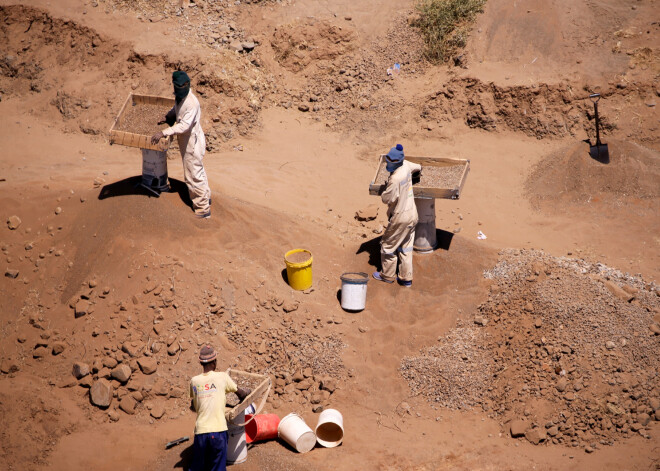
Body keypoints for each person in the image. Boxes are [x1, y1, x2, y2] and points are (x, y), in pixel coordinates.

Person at [151, 70, 211, 218]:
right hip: (187, 140)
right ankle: (206, 197)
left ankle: (203, 210)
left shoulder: (191, 102)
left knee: (192, 174)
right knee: (197, 171)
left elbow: (184, 125)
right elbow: (177, 109)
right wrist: (168, 117)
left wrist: (163, 132)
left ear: (188, 84)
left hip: (192, 142)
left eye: (183, 85)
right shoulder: (180, 98)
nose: (181, 88)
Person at [189, 345, 250, 471]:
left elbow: (193, 405)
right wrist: (247, 392)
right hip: (217, 431)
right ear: (214, 362)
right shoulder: (222, 377)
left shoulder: (194, 381)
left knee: (198, 466)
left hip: (200, 432)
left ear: (201, 362)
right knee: (217, 467)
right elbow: (241, 394)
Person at [372, 144, 421, 287]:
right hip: (412, 213)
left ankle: (387, 275)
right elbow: (418, 166)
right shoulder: (406, 165)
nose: (388, 163)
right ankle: (406, 279)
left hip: (400, 217)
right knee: (406, 247)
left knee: (387, 246)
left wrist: (386, 187)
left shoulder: (395, 179)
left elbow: (387, 199)